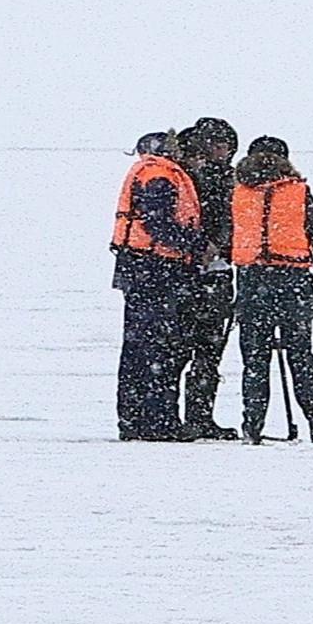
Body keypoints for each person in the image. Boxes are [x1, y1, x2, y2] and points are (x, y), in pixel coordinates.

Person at [226, 135, 313, 445]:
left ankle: (252, 425)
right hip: (293, 281)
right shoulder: (299, 192)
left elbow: (227, 234)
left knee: (255, 361)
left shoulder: (239, 193)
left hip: (252, 282)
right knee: (301, 355)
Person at [109, 132, 211, 440]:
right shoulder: (160, 175)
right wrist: (197, 245)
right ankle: (158, 422)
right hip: (155, 269)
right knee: (159, 348)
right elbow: (159, 224)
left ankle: (133, 420)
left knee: (138, 349)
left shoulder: (149, 171)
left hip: (140, 268)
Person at [173, 117, 243, 439]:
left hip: (201, 272)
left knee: (200, 350)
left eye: (226, 145)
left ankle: (193, 417)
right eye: (218, 144)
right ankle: (193, 417)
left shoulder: (189, 175)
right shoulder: (209, 179)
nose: (222, 151)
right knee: (200, 349)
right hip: (200, 272)